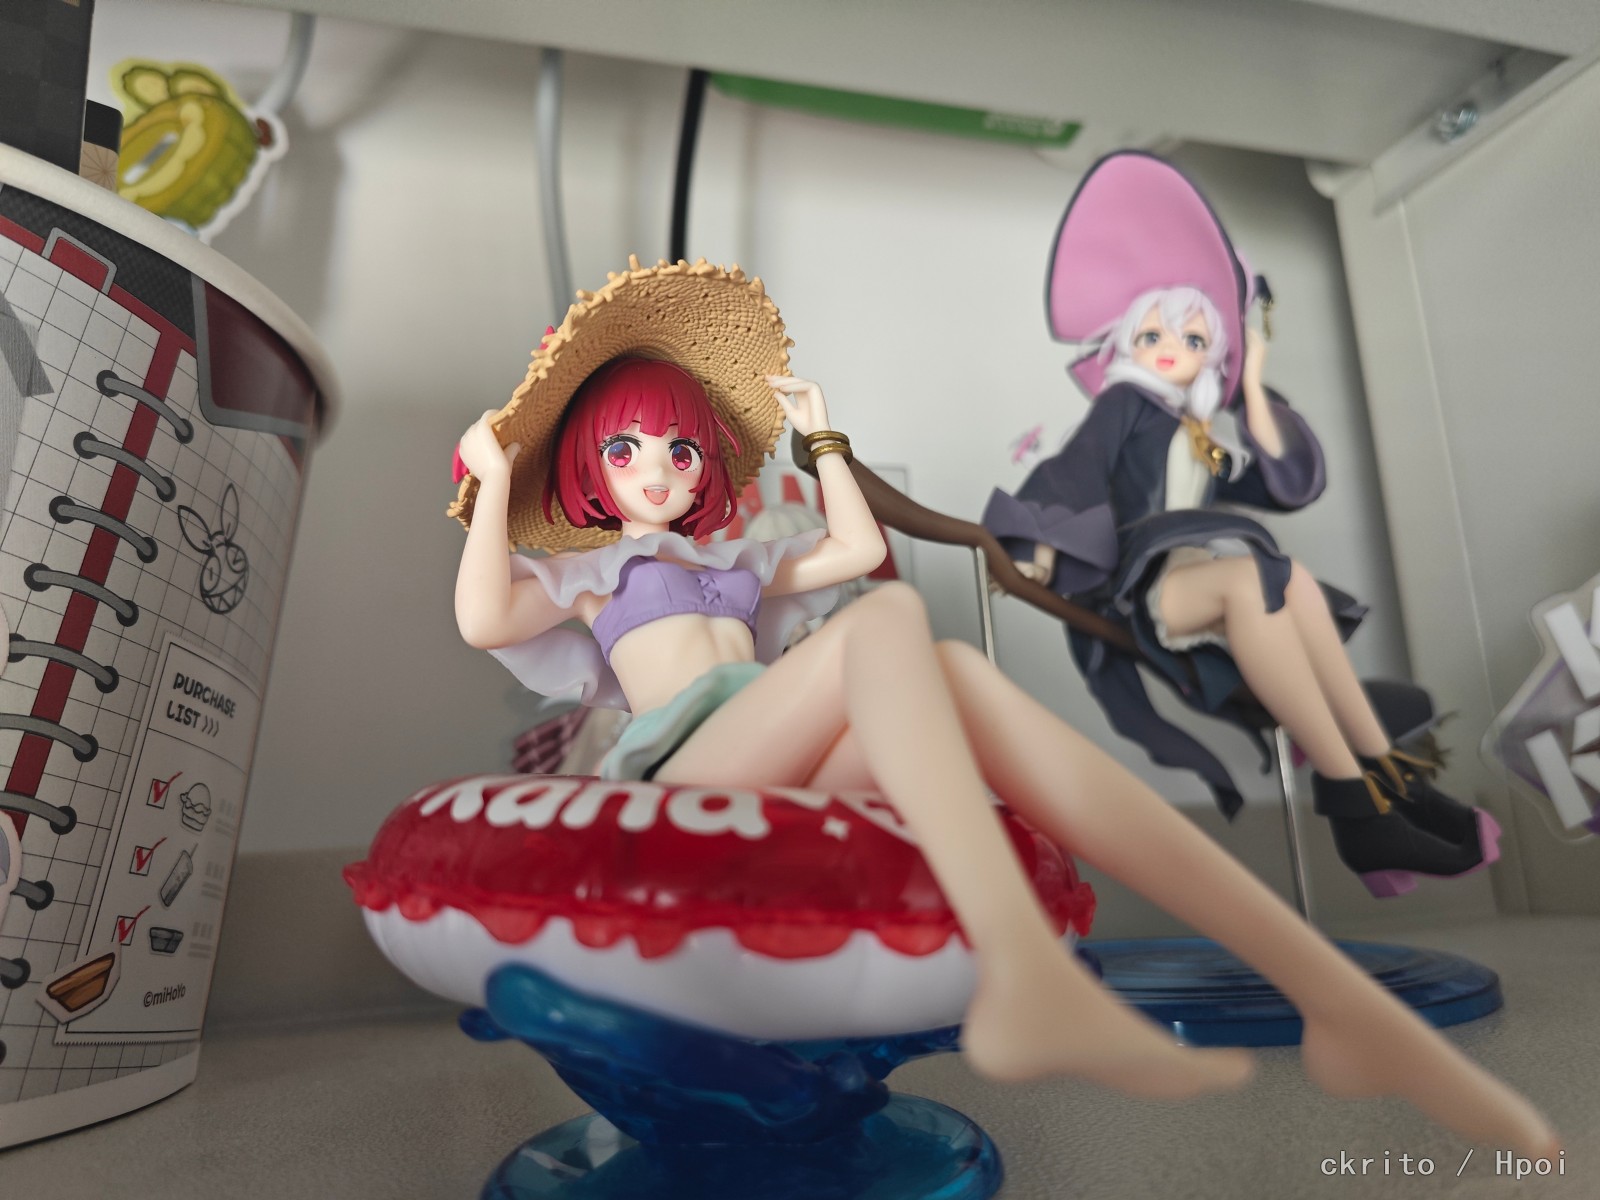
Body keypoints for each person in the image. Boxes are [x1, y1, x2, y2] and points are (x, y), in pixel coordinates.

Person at [451, 256, 1554, 1153]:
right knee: (889, 624)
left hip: (771, 752)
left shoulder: (740, 560)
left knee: (963, 678)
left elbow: (855, 548)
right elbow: (484, 618)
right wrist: (496, 482)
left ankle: (1337, 1004)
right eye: (628, 449)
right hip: (676, 772)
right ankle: (1025, 972)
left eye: (680, 448)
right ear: (590, 463)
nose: (657, 470)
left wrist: (821, 434)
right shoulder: (591, 572)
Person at [983, 152, 1496, 897]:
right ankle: (1358, 805)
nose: (1173, 350)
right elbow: (1073, 469)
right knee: (1257, 578)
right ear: (1127, 341)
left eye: (1195, 341)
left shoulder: (1199, 428)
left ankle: (1390, 782)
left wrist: (1251, 380)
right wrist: (1032, 546)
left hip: (1195, 571)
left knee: (1296, 583)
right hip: (1138, 583)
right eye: (1156, 335)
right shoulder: (1124, 405)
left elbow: (1284, 484)